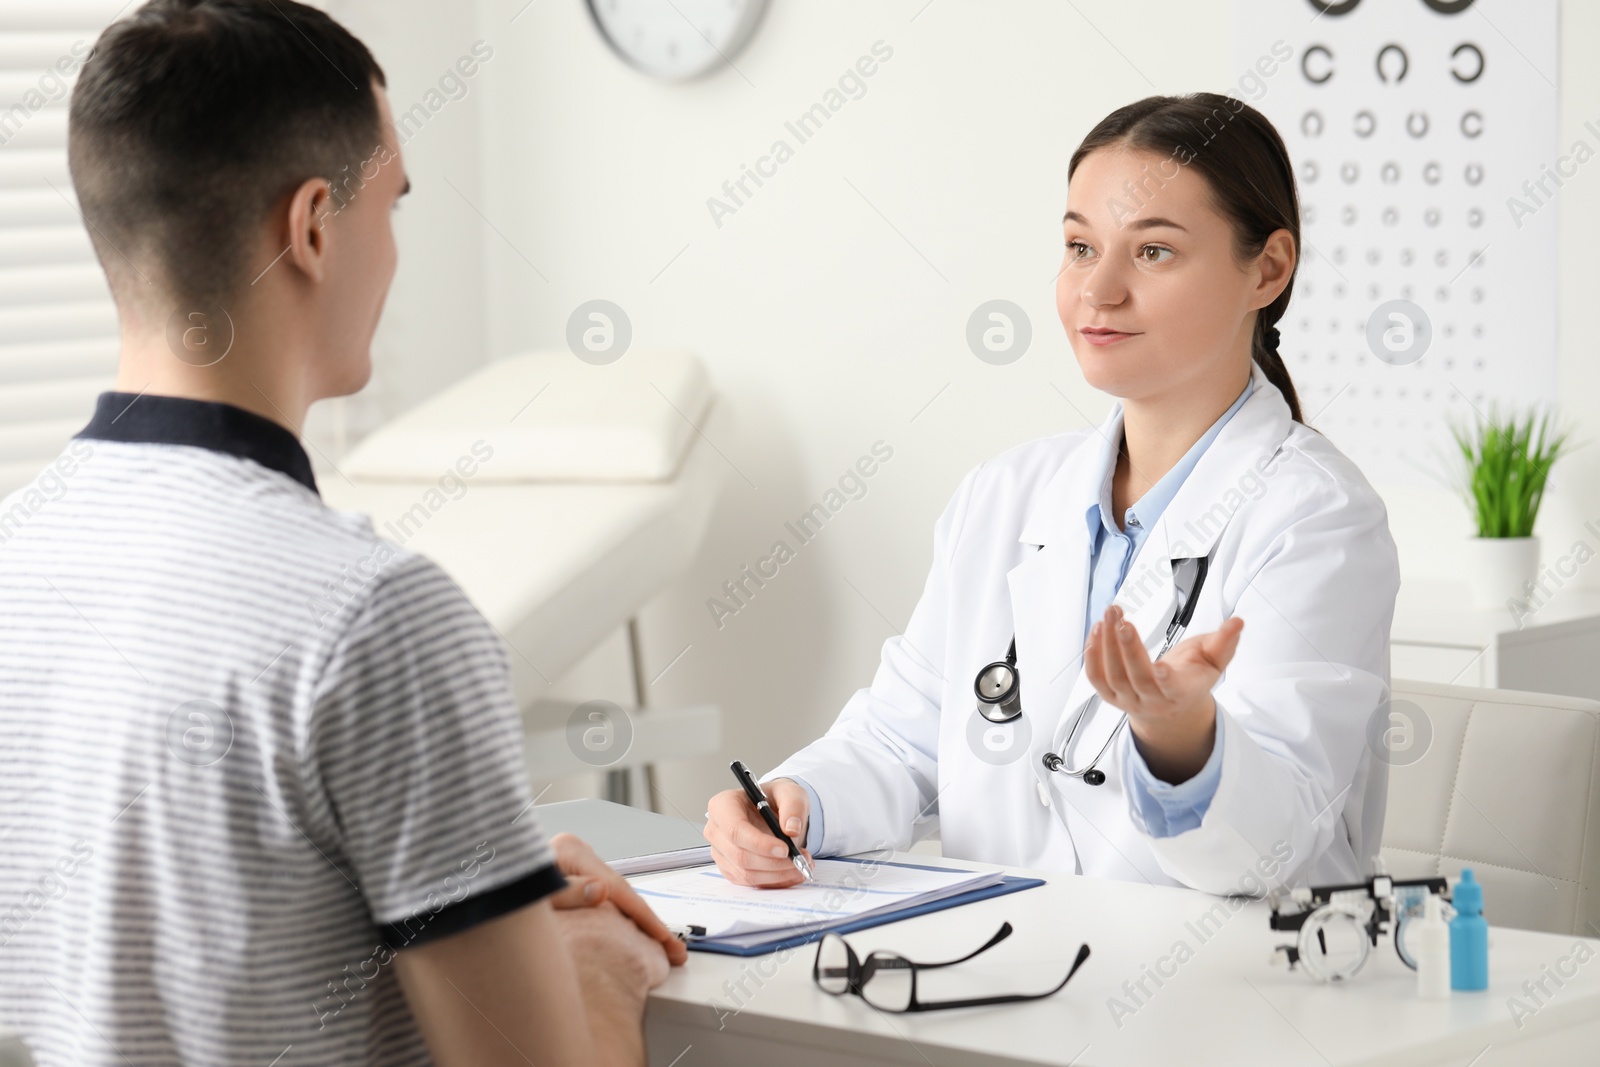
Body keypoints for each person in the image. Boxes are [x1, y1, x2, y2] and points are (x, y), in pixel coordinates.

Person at [0, 2, 683, 1065]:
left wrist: (469, 890)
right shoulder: (375, 615)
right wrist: (594, 969)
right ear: (314, 226)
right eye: (392, 205)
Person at [705, 93, 1401, 897]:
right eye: (1079, 246)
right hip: (998, 977)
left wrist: (1182, 741)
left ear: (1268, 269)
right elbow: (901, 738)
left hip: (1226, 993)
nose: (1097, 290)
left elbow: (1275, 848)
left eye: (1153, 253)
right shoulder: (1005, 494)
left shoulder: (1316, 519)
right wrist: (796, 804)